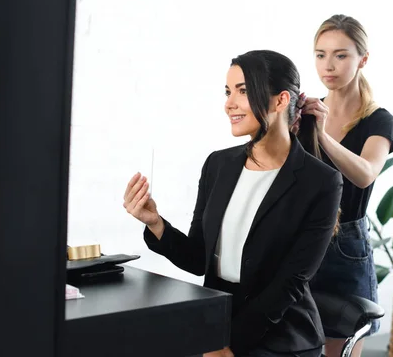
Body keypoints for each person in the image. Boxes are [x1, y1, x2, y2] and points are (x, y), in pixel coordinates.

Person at [123, 50, 342, 357]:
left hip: (280, 334)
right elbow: (198, 258)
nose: (229, 104)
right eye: (228, 92)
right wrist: (155, 223)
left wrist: (232, 345)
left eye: (243, 91)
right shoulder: (218, 165)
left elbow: (289, 284)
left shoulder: (321, 182)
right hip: (218, 318)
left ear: (280, 101)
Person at [302, 14, 393, 357]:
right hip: (304, 243)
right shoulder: (308, 114)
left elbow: (365, 173)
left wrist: (322, 136)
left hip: (346, 247)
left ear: (363, 59)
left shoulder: (379, 120)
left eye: (340, 55)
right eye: (320, 54)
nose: (328, 65)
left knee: (339, 350)